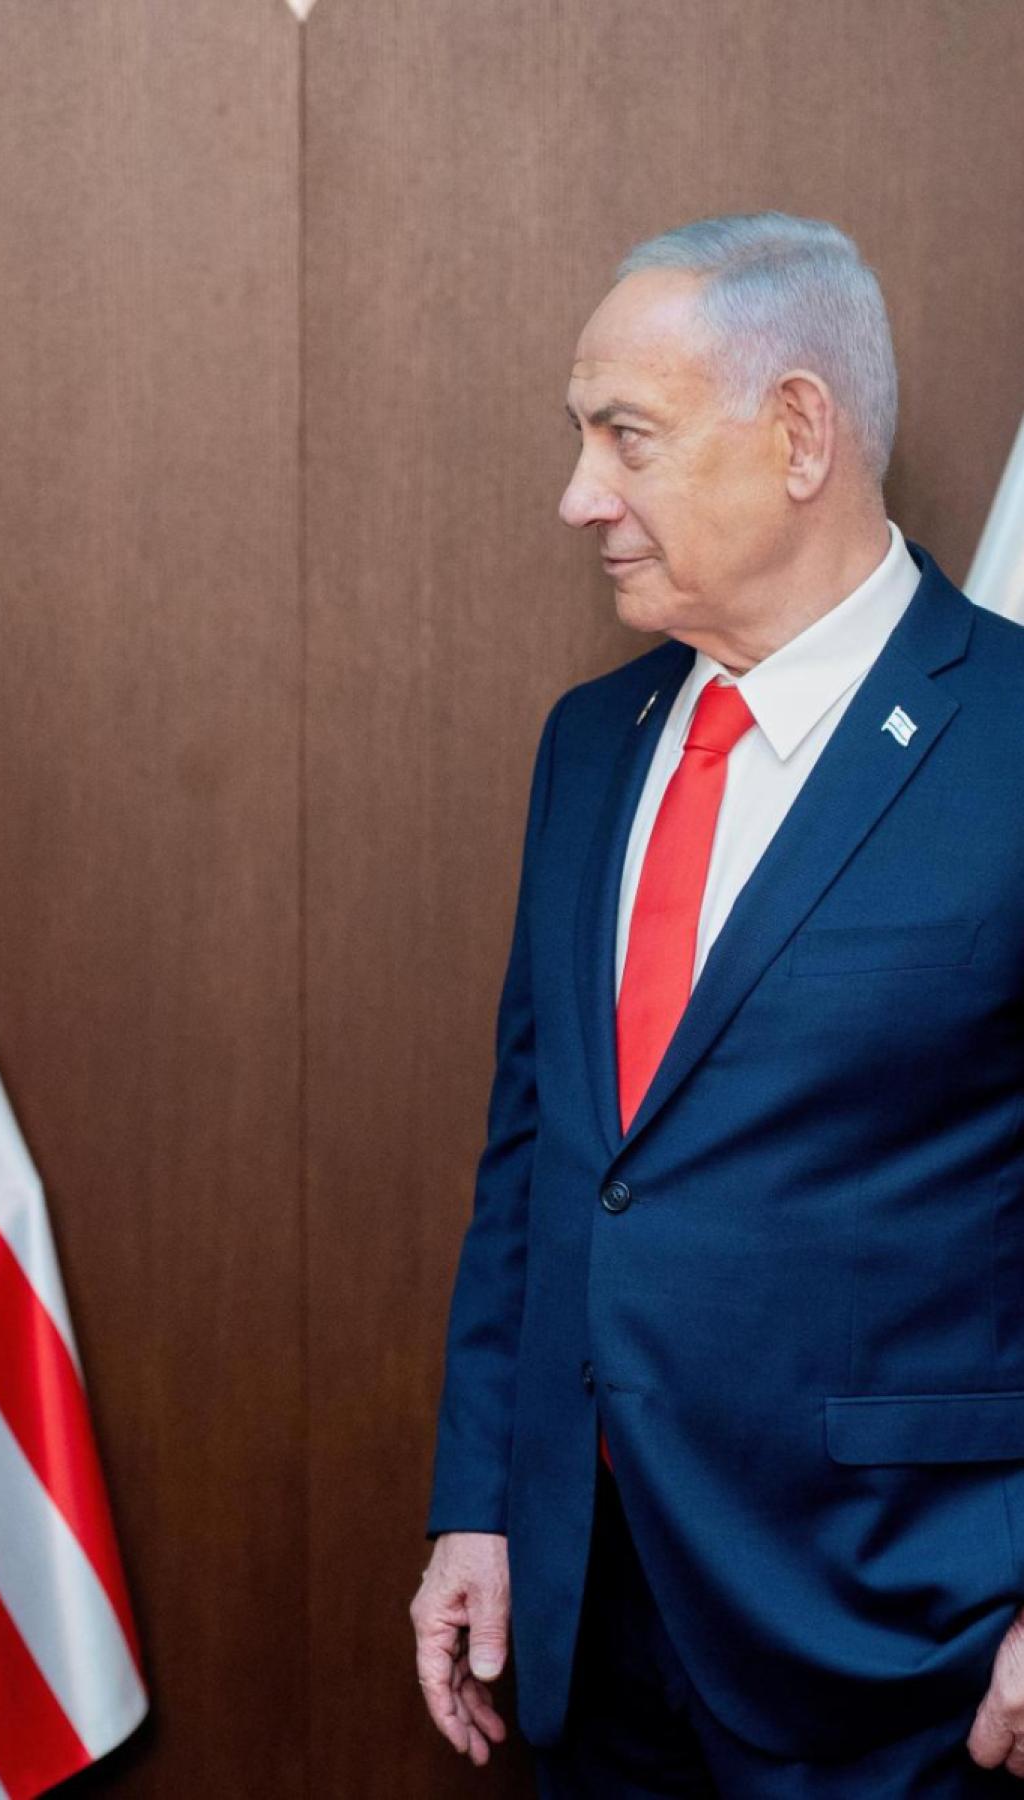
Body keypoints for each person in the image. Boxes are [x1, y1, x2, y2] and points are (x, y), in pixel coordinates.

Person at [410, 211, 1024, 1794]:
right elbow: (542, 1161)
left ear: (800, 431)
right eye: (580, 437)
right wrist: (483, 1498)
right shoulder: (590, 745)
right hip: (587, 1621)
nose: (579, 496)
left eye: (629, 437)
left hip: (908, 1646)